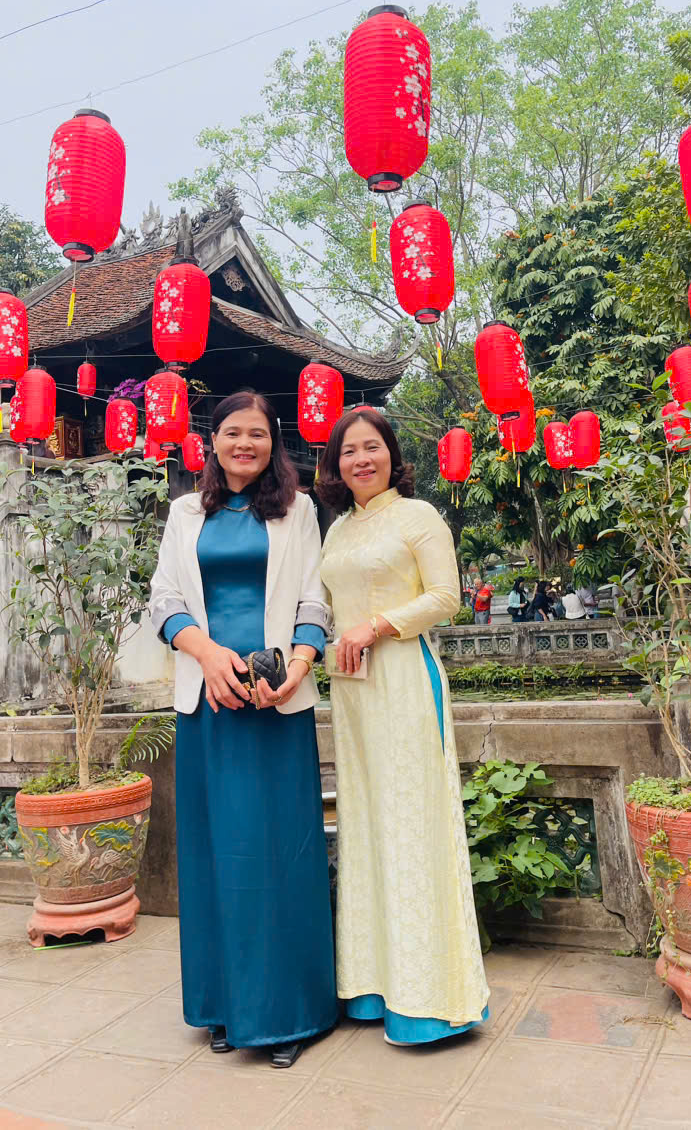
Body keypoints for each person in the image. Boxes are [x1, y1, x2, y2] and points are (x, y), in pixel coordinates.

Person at [148, 391, 336, 1069]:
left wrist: (300, 664)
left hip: (277, 700)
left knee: (280, 854)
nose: (244, 444)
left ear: (273, 441)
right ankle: (224, 1004)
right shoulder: (183, 514)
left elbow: (315, 597)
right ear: (213, 441)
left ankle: (290, 1013)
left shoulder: (299, 510)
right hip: (209, 704)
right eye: (233, 432)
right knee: (216, 857)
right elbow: (163, 599)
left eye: (257, 434)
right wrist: (206, 654)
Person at [317, 407, 489, 1047]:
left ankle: (430, 1000)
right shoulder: (337, 530)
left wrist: (377, 625)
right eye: (349, 451)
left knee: (414, 825)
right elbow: (322, 604)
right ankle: (371, 987)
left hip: (404, 679)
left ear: (392, 454)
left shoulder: (419, 516)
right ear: (335, 465)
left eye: (373, 447)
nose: (362, 460)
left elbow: (446, 596)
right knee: (365, 825)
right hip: (352, 692)